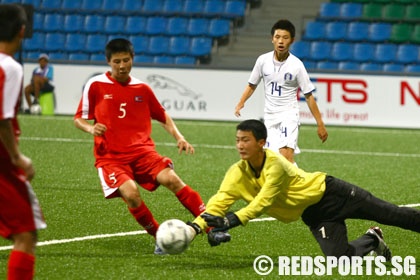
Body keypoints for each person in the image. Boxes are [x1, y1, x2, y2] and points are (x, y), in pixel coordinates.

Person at [188, 119, 420, 259]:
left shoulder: (276, 163)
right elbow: (220, 201)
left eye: (245, 140)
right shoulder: (236, 172)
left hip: (333, 194)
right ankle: (373, 239)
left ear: (261, 143)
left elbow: (264, 202)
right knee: (339, 260)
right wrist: (194, 228)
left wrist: (231, 221)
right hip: (315, 215)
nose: (240, 145)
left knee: (395, 215)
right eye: (238, 140)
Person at [74, 38, 206, 254]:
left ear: (132, 58)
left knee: (172, 179)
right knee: (131, 193)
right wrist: (91, 129)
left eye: (126, 60)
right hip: (111, 157)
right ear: (108, 61)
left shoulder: (142, 88)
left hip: (143, 152)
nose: (122, 65)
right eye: (117, 61)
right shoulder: (96, 85)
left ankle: (210, 227)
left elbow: (162, 115)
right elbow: (79, 118)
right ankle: (159, 238)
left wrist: (179, 137)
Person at [234, 19, 328, 165]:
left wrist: (320, 123)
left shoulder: (296, 65)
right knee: (272, 160)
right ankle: (295, 182)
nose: (281, 41)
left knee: (286, 156)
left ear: (292, 41)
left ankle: (298, 186)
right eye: (277, 37)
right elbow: (252, 84)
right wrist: (241, 103)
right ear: (272, 39)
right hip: (269, 118)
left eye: (285, 38)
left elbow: (309, 96)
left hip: (288, 115)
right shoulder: (262, 60)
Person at [0, 4, 47, 279]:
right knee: (26, 235)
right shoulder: (11, 68)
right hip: (3, 163)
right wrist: (18, 157)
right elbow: (2, 120)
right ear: (22, 30)